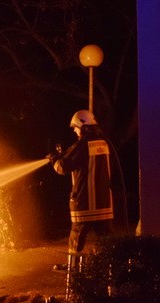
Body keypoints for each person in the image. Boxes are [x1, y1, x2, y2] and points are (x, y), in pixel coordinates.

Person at [47, 109, 116, 280]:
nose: (75, 131)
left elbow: (64, 167)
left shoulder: (82, 145)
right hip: (103, 203)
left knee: (76, 239)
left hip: (84, 203)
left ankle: (74, 270)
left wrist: (54, 159)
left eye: (75, 127)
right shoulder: (104, 143)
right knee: (106, 240)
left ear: (83, 125)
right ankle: (110, 270)